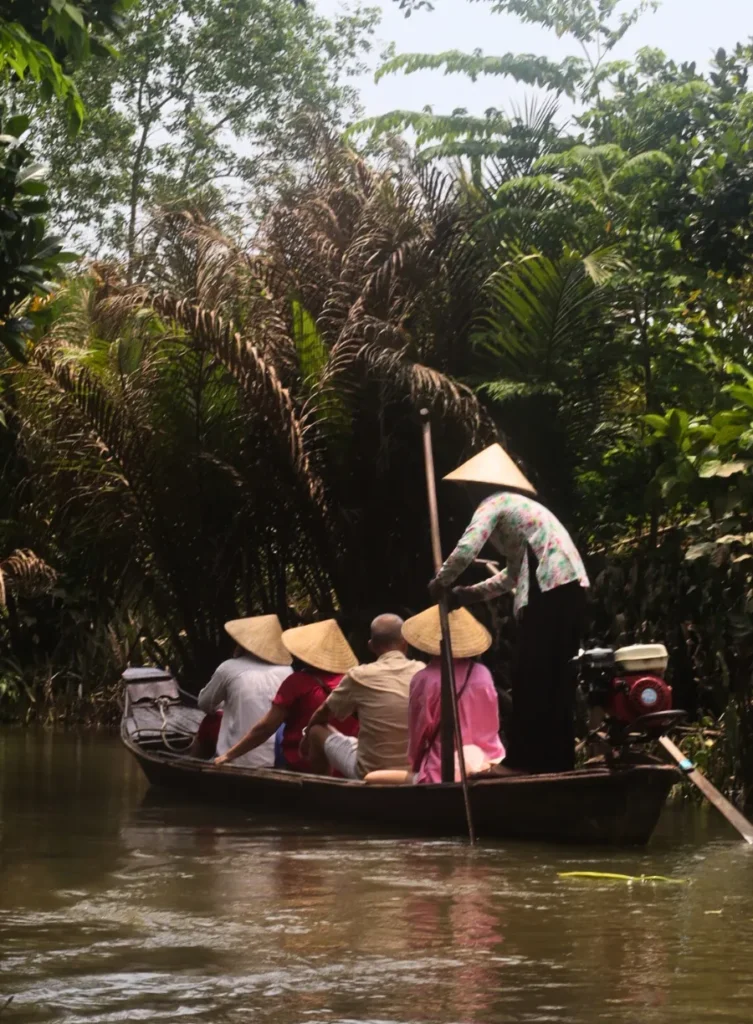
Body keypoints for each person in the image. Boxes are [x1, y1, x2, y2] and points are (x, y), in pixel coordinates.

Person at [428, 443, 589, 775]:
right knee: (553, 678)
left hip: (550, 589)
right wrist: (467, 594)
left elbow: (467, 548)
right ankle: (557, 762)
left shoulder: (494, 502)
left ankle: (524, 762)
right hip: (569, 589)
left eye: (469, 490)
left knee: (530, 674)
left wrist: (441, 582)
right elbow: (512, 576)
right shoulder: (523, 511)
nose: (468, 497)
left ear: (479, 488)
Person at [365, 605, 504, 785]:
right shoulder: (482, 673)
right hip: (489, 765)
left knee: (370, 778)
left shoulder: (424, 679)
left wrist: (417, 766)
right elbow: (492, 726)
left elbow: (418, 738)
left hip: (440, 773)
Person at [214, 618, 359, 772]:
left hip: (305, 765)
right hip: (348, 765)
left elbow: (266, 728)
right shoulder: (354, 680)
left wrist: (228, 755)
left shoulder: (297, 682)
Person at [302, 613, 425, 779]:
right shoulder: (422, 671)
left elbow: (323, 713)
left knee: (316, 730)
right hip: (415, 771)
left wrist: (306, 738)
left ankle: (323, 793)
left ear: (371, 646)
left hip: (369, 773)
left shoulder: (359, 675)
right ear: (405, 644)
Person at [192, 615, 292, 766]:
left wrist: (224, 706)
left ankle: (192, 763)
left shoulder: (228, 668)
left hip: (236, 759)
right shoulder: (287, 670)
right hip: (278, 757)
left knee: (210, 720)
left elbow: (204, 704)